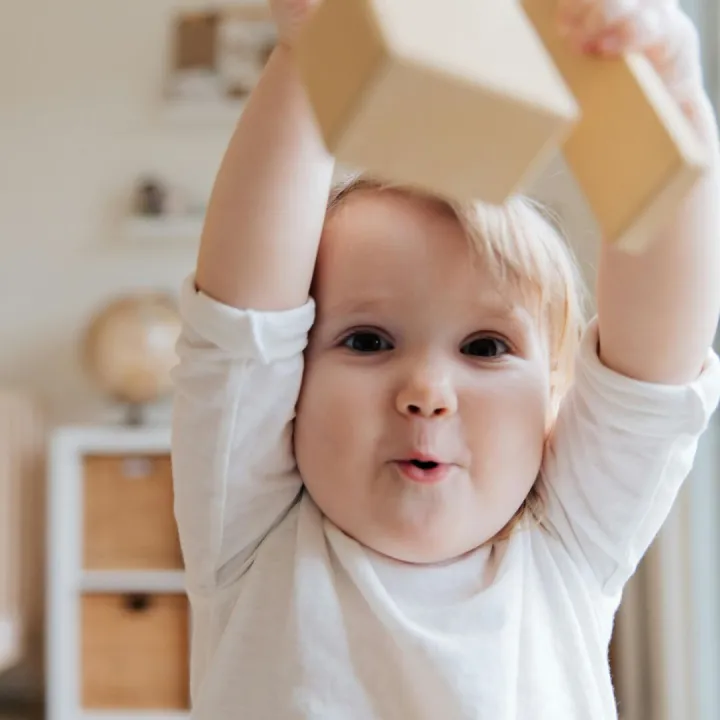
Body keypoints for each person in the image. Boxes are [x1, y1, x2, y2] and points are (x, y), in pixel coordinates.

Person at [170, 0, 720, 717]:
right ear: (290, 388)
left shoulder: (567, 542)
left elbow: (655, 365)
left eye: (485, 348)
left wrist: (674, 106)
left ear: (553, 400)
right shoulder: (253, 528)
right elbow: (242, 325)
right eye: (367, 341)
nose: (427, 392)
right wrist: (313, 51)